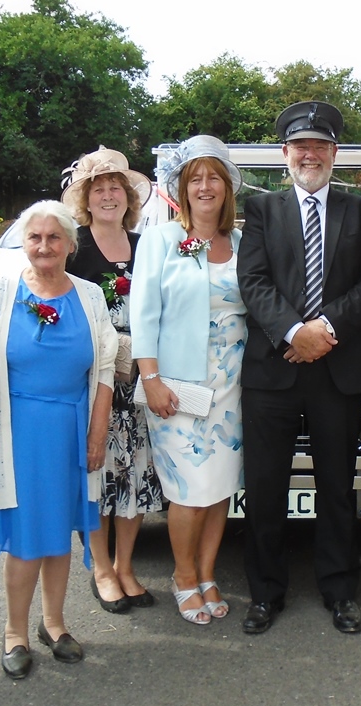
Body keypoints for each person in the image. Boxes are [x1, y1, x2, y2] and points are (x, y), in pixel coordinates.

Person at [237, 101, 361, 634]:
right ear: (285, 154)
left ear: (334, 154)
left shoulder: (360, 210)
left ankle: (340, 591)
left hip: (337, 370)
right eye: (301, 146)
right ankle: (265, 594)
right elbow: (252, 282)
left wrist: (323, 330)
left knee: (336, 488)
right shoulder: (262, 211)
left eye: (320, 146)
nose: (310, 154)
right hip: (272, 372)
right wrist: (293, 332)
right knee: (265, 487)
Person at [0, 200, 117, 678]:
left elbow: (104, 371)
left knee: (60, 531)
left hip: (74, 427)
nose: (44, 246)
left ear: (71, 245)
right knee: (26, 539)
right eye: (35, 237)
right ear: (23, 243)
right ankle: (14, 632)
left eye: (54, 238)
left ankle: (54, 624)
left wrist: (98, 431)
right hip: (20, 432)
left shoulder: (91, 296)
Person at [131, 135, 245, 625]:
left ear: (226, 187)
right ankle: (182, 576)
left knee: (219, 488)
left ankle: (207, 572)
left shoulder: (241, 241)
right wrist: (150, 378)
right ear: (181, 186)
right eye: (195, 178)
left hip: (234, 384)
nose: (204, 186)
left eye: (213, 177)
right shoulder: (160, 239)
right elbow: (143, 313)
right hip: (176, 387)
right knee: (187, 489)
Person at [62, 147, 162, 612]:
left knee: (137, 471)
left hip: (141, 380)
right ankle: (100, 567)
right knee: (98, 475)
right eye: (98, 188)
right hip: (95, 381)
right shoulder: (74, 246)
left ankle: (126, 566)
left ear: (128, 197)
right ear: (86, 198)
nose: (108, 195)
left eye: (115, 187)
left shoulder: (146, 246)